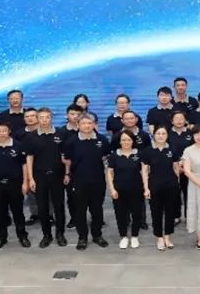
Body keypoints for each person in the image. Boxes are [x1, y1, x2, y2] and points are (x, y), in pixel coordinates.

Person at [62, 114, 111, 250]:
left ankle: (97, 235)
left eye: (90, 123)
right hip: (78, 181)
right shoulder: (71, 141)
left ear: (94, 124)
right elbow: (67, 160)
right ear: (78, 125)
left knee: (97, 210)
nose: (87, 126)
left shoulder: (102, 139)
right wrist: (67, 174)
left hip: (98, 180)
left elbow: (106, 158)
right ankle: (82, 237)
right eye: (83, 123)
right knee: (80, 211)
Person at [0, 121, 30, 250]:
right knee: (0, 213)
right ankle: (1, 237)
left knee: (18, 212)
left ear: (9, 131)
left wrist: (25, 182)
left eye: (4, 130)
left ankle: (22, 236)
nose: (1, 133)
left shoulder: (18, 145)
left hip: (15, 184)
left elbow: (24, 165)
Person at [25, 107, 68, 248]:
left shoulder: (61, 134)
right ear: (37, 119)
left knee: (59, 206)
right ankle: (46, 235)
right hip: (39, 176)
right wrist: (30, 178)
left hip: (57, 176)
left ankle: (60, 234)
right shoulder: (31, 137)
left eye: (47, 117)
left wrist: (67, 173)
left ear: (51, 118)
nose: (44, 120)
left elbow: (66, 156)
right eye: (41, 117)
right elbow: (29, 157)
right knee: (42, 208)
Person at [142, 125, 181, 251]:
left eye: (163, 133)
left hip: (171, 185)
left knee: (170, 212)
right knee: (156, 212)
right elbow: (144, 171)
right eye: (158, 133)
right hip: (154, 185)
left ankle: (167, 237)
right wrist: (146, 188)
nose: (161, 136)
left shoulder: (172, 149)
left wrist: (177, 183)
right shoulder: (147, 151)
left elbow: (176, 168)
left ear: (167, 135)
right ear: (153, 135)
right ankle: (159, 237)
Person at [107, 130, 145, 249]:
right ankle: (123, 236)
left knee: (137, 214)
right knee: (120, 214)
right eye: (123, 140)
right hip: (119, 190)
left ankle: (134, 236)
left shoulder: (139, 154)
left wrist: (146, 188)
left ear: (133, 141)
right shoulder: (114, 155)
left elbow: (144, 172)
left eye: (129, 139)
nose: (126, 142)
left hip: (137, 189)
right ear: (119, 141)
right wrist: (112, 189)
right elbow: (109, 173)